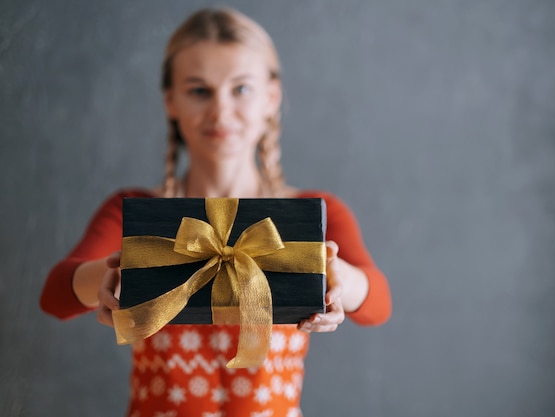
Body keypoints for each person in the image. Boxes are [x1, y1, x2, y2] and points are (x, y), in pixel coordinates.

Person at [40, 7, 391, 417]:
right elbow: (56, 295)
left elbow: (378, 302)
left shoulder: (316, 212)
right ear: (171, 100)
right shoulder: (133, 211)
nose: (221, 111)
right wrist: (112, 273)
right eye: (199, 91)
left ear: (271, 98)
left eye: (241, 89)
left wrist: (337, 279)